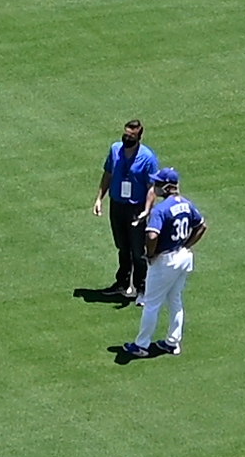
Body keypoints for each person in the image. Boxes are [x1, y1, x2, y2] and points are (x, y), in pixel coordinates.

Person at [115, 168, 203, 362]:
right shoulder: (187, 204)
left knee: (151, 304)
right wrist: (186, 246)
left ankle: (141, 345)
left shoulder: (160, 210)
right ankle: (173, 342)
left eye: (158, 184)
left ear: (167, 186)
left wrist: (150, 253)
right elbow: (201, 225)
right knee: (175, 299)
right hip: (182, 257)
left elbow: (152, 235)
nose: (155, 187)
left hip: (165, 261)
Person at [80, 120, 159, 304]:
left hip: (136, 208)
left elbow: (151, 187)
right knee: (122, 247)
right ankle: (122, 283)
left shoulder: (147, 158)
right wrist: (99, 198)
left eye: (131, 136)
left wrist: (147, 211)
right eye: (125, 134)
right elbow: (108, 174)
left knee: (138, 250)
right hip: (117, 205)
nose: (127, 138)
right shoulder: (115, 150)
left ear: (139, 137)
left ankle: (142, 288)